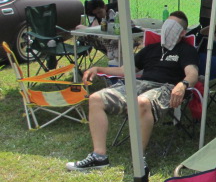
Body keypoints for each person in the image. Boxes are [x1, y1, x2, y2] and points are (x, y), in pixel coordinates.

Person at [66, 11, 199, 171]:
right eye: (166, 25)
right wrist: (98, 68)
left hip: (165, 87)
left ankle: (138, 160)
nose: (167, 28)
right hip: (139, 84)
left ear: (182, 32)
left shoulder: (186, 50)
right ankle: (99, 156)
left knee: (141, 102)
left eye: (173, 26)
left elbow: (192, 73)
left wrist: (182, 85)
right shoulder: (151, 49)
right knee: (96, 99)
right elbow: (124, 70)